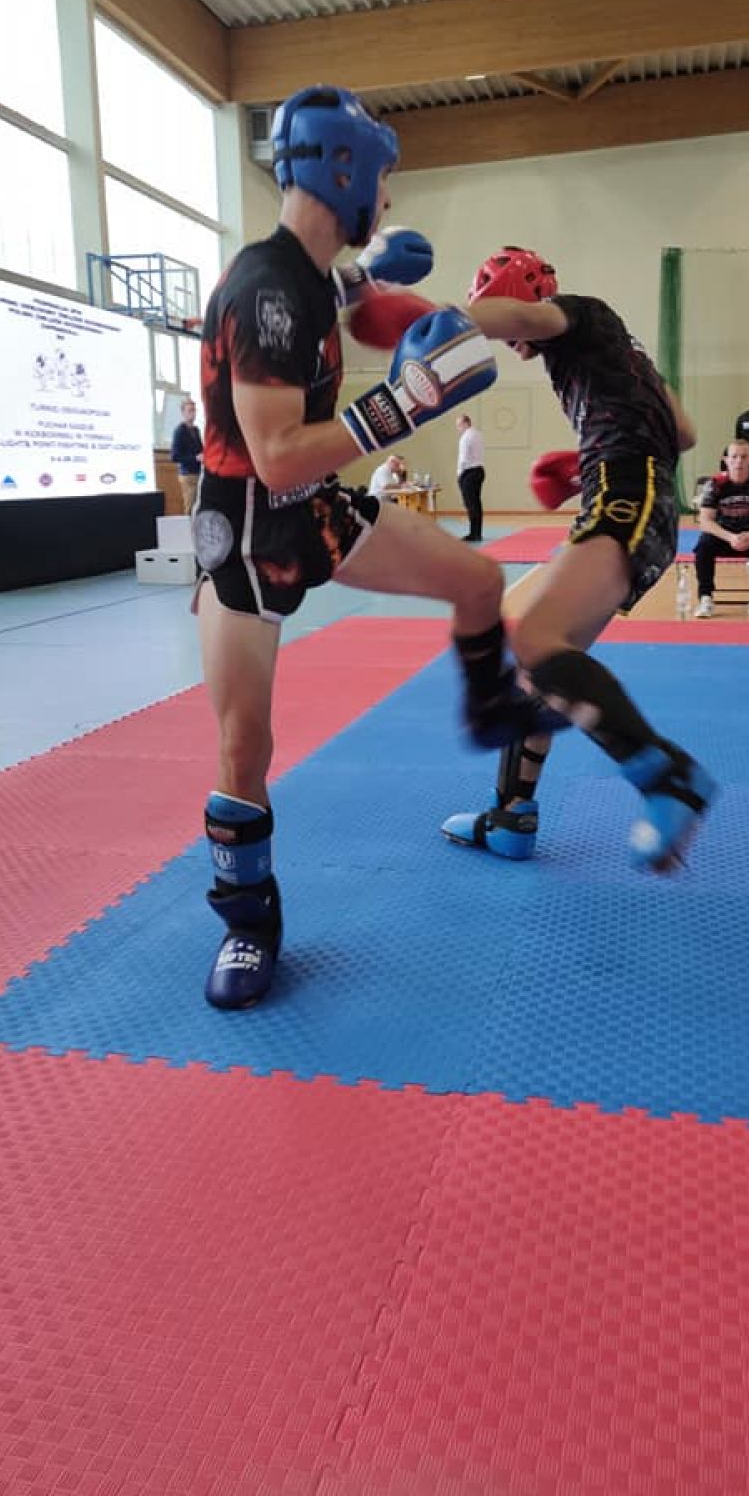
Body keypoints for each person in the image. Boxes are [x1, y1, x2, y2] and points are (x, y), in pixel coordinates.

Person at [192, 87, 554, 1011]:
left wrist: (384, 285)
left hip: (317, 508)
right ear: (343, 170)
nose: (387, 198)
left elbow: (346, 303)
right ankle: (248, 924)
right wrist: (408, 401)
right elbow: (276, 457)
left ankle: (491, 708)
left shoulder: (311, 275)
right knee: (245, 746)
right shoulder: (265, 289)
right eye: (382, 179)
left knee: (477, 578)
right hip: (249, 533)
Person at [436, 246, 717, 873]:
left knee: (535, 638)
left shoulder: (575, 315)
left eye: (500, 313)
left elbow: (526, 318)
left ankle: (669, 778)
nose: (509, 339)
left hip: (626, 496)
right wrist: (585, 458)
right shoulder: (608, 351)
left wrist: (425, 319)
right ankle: (511, 814)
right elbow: (685, 432)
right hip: (627, 494)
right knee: (534, 659)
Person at [693, 440, 749, 619]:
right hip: (724, 535)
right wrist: (730, 537)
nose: (739, 461)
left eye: (743, 457)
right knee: (703, 545)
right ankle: (705, 598)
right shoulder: (715, 484)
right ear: (726, 460)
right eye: (734, 457)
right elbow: (705, 521)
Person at [456, 413, 486, 542]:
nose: (458, 428)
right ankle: (477, 532)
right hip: (479, 470)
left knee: (470, 504)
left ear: (466, 423)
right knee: (476, 503)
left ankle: (473, 534)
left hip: (469, 472)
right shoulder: (478, 434)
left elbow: (463, 458)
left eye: (459, 425)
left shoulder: (465, 437)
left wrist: (459, 474)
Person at [170, 397, 203, 514]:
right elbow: (175, 456)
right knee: (190, 506)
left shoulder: (196, 430)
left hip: (198, 473)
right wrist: (195, 458)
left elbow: (200, 449)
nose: (192, 413)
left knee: (198, 507)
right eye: (189, 410)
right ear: (183, 412)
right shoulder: (179, 431)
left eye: (194, 410)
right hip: (187, 475)